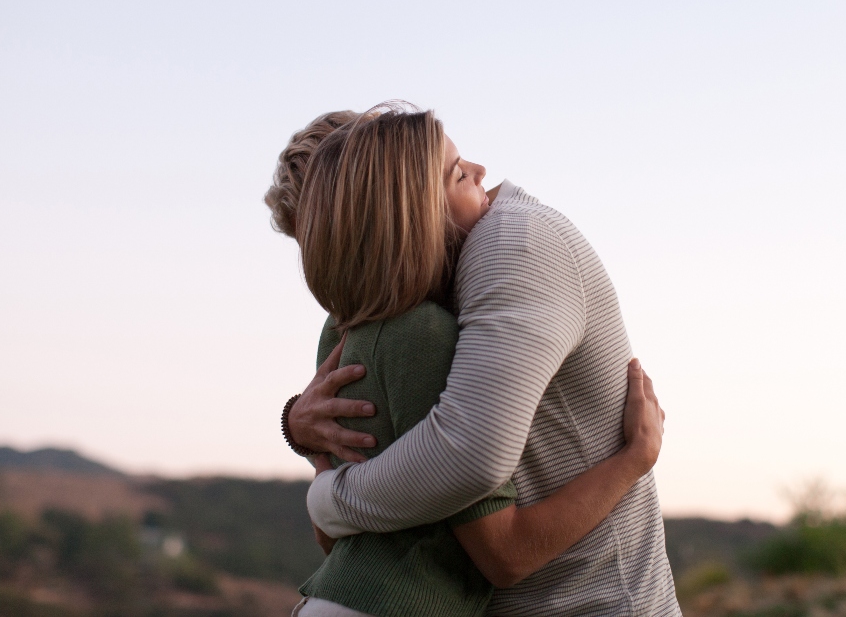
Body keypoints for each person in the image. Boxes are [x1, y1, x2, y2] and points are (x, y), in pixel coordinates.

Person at [273, 104, 681, 616]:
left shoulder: (508, 247)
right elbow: (489, 545)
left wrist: (329, 498)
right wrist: (299, 431)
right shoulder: (382, 326)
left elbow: (467, 472)